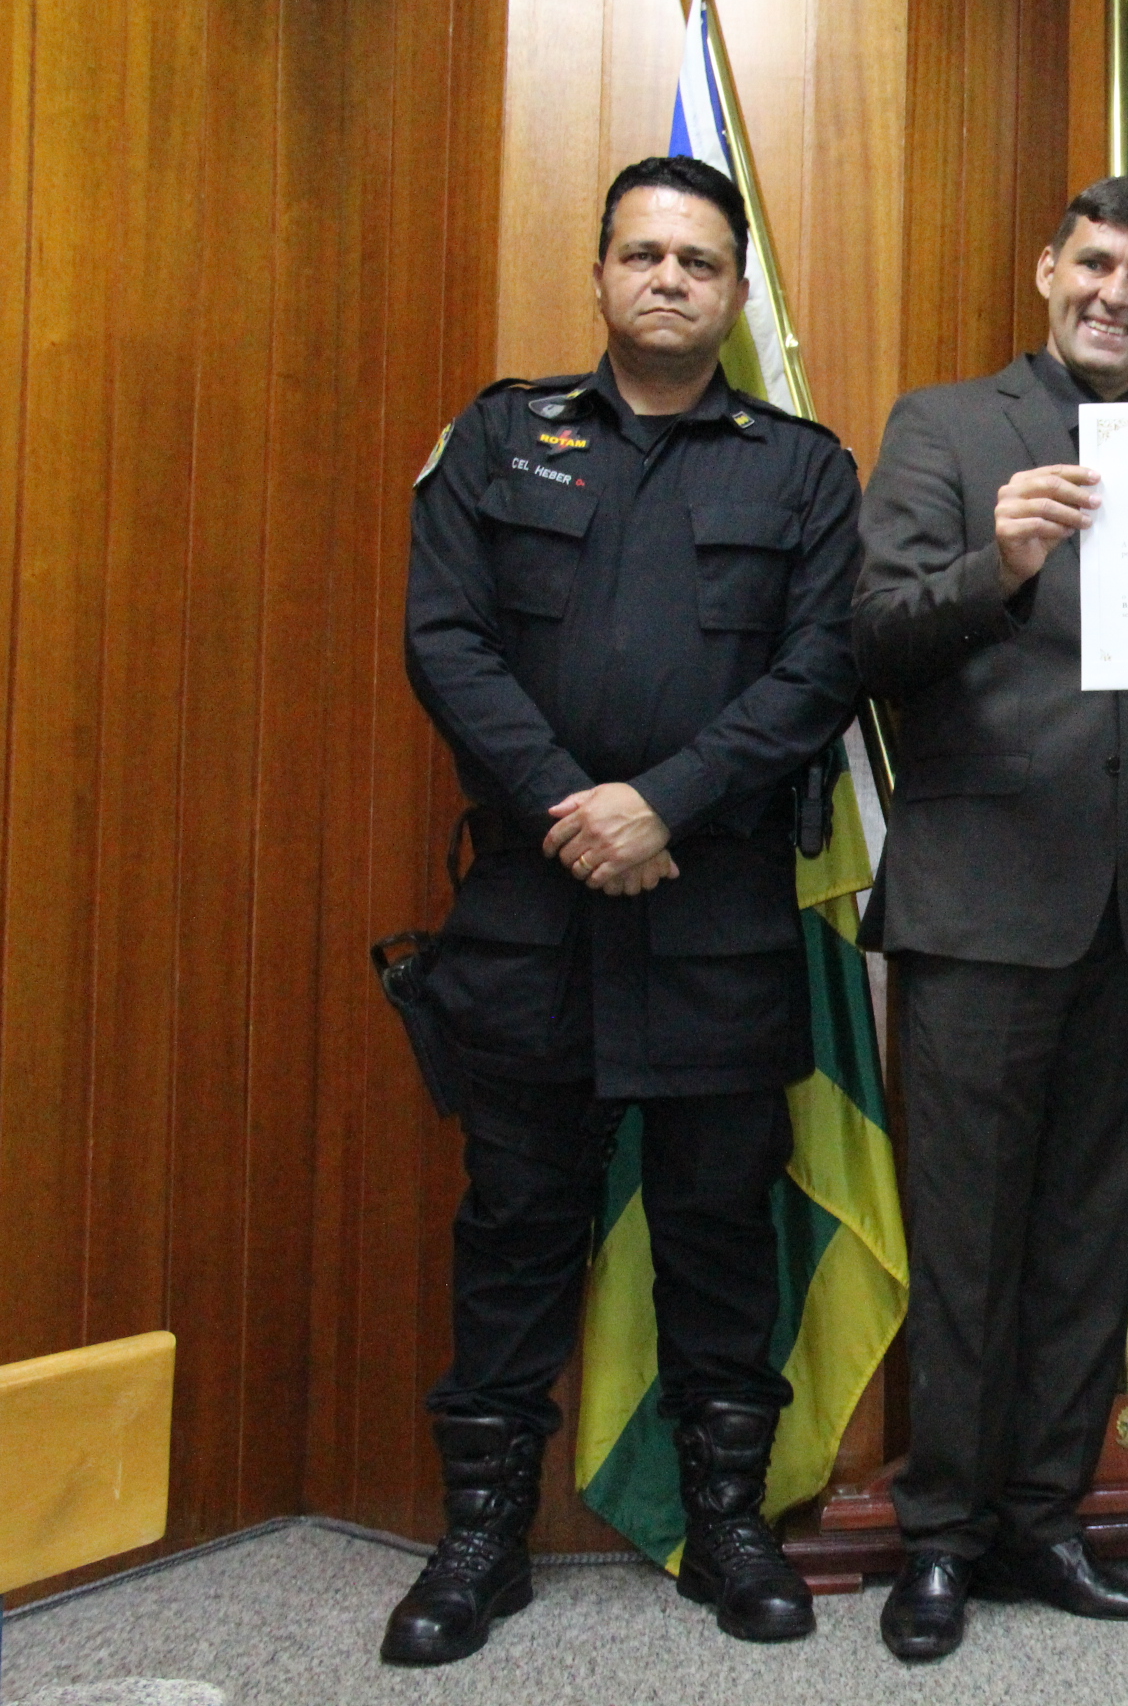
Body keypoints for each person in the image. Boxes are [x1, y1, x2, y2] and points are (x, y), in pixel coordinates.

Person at [390, 155, 862, 1663]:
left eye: (698, 261)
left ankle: (729, 1527)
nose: (668, 279)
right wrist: (575, 810)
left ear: (736, 293)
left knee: (720, 1228)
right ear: (599, 274)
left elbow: (820, 671)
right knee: (516, 1224)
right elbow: (445, 640)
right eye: (643, 254)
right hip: (533, 916)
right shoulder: (498, 435)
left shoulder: (802, 470)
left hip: (716, 913)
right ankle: (481, 1543)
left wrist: (662, 803)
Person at [853, 176, 1128, 1664]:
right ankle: (942, 1538)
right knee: (967, 1243)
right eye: (1094, 263)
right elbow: (870, 636)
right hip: (981, 906)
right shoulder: (944, 428)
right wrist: (1003, 564)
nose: (1115, 293)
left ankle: (1045, 1520)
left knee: (1093, 1239)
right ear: (1047, 270)